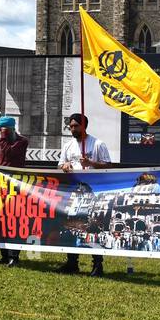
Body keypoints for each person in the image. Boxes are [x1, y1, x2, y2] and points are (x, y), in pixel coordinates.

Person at [57, 112, 110, 276]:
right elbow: (60, 164)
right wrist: (64, 165)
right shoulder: (68, 145)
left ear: (84, 126)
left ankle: (97, 264)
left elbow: (108, 165)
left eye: (76, 126)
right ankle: (72, 262)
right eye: (71, 126)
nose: (73, 129)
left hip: (93, 193)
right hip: (74, 193)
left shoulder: (98, 144)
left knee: (93, 227)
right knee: (72, 226)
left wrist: (90, 163)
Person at [0, 115, 28, 266]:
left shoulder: (21, 142)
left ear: (12, 129)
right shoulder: (0, 142)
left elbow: (10, 154)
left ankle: (14, 255)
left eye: (4, 129)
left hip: (14, 186)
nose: (1, 132)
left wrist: (4, 138)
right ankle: (4, 254)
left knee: (13, 220)